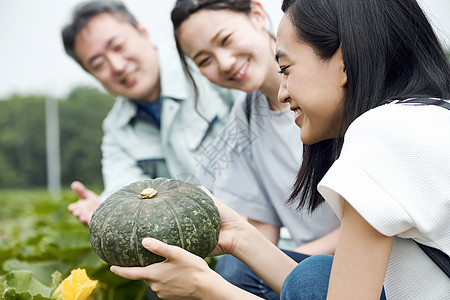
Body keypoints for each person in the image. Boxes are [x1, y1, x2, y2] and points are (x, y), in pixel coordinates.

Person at [110, 0, 450, 299]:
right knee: (310, 277)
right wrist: (240, 238)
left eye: (286, 69)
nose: (284, 92)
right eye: (204, 59)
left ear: (343, 61)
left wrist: (205, 287)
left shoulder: (378, 135)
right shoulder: (420, 114)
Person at [171, 1, 340, 298]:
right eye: (204, 60)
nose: (223, 62)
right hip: (308, 263)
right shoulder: (245, 118)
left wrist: (280, 262)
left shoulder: (333, 91)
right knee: (234, 270)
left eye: (225, 40)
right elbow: (260, 226)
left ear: (257, 14)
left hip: (364, 258)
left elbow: (375, 223)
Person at [61, 0, 238, 225]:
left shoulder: (207, 66)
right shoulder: (116, 130)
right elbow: (124, 192)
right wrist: (108, 210)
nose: (116, 66)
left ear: (142, 32)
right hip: (208, 247)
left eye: (118, 46)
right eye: (98, 64)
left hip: (275, 230)